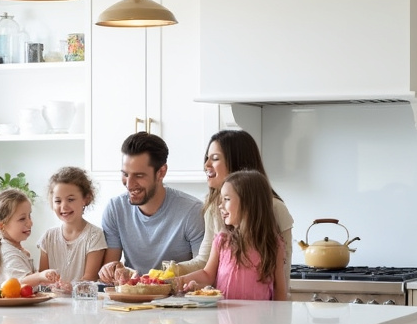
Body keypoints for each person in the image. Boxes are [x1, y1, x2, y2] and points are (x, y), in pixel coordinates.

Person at [174, 128, 294, 284]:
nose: (206, 165)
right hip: (225, 304)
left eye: (215, 158)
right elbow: (205, 262)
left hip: (265, 306)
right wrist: (169, 272)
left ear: (238, 163)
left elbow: (282, 277)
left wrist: (277, 308)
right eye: (207, 158)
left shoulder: (275, 209)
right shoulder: (213, 209)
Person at [98, 132, 205, 283]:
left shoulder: (192, 211)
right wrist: (110, 271)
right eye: (125, 174)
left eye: (139, 175)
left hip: (176, 300)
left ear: (161, 172)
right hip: (131, 299)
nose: (129, 184)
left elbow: (204, 272)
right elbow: (110, 270)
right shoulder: (115, 209)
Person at [176, 170, 287, 301]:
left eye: (227, 199)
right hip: (225, 318)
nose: (220, 205)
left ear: (249, 203)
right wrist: (179, 280)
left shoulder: (273, 244)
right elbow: (207, 274)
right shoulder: (222, 241)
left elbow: (280, 289)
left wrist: (280, 318)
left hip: (260, 319)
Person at [0, 187, 60, 295]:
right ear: (2, 225)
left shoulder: (14, 250)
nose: (30, 223)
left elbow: (33, 288)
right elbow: (19, 283)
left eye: (29, 216)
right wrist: (40, 276)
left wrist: (54, 288)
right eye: (22, 219)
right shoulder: (9, 253)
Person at [37, 166, 106, 292]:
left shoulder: (95, 235)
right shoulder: (48, 237)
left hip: (82, 304)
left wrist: (70, 287)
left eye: (70, 199)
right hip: (52, 304)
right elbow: (42, 277)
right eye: (58, 201)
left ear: (86, 198)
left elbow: (90, 278)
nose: (64, 206)